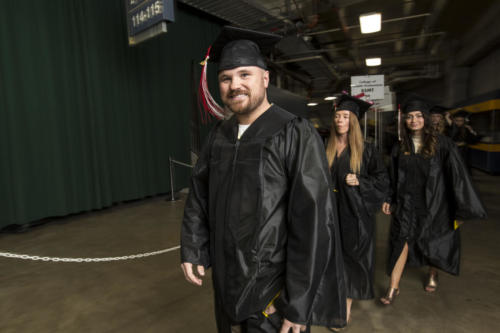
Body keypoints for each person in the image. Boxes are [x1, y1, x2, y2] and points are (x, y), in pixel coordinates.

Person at [180, 26, 346, 333]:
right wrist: (193, 246)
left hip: (274, 296)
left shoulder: (295, 133)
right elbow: (199, 196)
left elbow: (313, 222)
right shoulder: (219, 135)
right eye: (226, 78)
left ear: (265, 79)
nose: (235, 85)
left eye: (245, 75)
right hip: (228, 283)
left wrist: (299, 304)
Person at [380, 98, 486, 305]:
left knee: (433, 240)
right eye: (410, 117)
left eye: (418, 116)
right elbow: (392, 175)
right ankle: (393, 288)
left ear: (426, 119)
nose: (414, 120)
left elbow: (457, 175)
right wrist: (388, 197)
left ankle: (433, 273)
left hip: (436, 202)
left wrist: (461, 207)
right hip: (406, 203)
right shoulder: (400, 146)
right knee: (401, 241)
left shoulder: (443, 144)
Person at [325, 95, 389, 329]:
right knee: (332, 260)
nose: (340, 121)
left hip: (354, 217)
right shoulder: (327, 147)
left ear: (353, 121)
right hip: (330, 215)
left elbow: (382, 180)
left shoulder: (366, 150)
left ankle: (345, 309)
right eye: (337, 116)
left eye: (345, 117)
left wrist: (360, 182)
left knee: (351, 262)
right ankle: (332, 301)